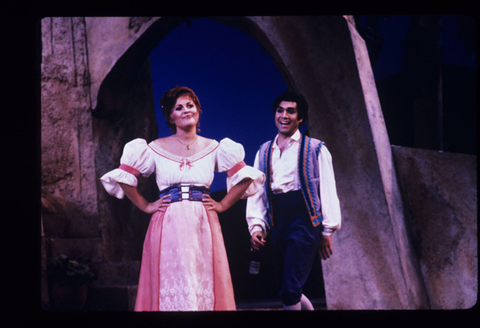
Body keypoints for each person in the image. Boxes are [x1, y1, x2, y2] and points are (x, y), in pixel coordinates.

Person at [100, 86, 264, 311]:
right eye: (179, 107)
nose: (186, 110)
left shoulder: (215, 147)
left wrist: (224, 203)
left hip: (203, 222)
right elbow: (124, 177)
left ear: (198, 110)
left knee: (202, 278)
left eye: (190, 105)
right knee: (172, 280)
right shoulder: (155, 148)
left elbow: (245, 176)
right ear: (170, 116)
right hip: (168, 223)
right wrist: (145, 205)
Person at [246, 90, 341, 310]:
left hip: (304, 220)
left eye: (291, 111)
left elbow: (327, 189)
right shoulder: (264, 151)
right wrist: (257, 227)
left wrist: (326, 231)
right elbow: (257, 192)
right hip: (277, 221)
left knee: (290, 288)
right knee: (289, 288)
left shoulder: (316, 148)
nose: (284, 115)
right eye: (280, 110)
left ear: (300, 118)